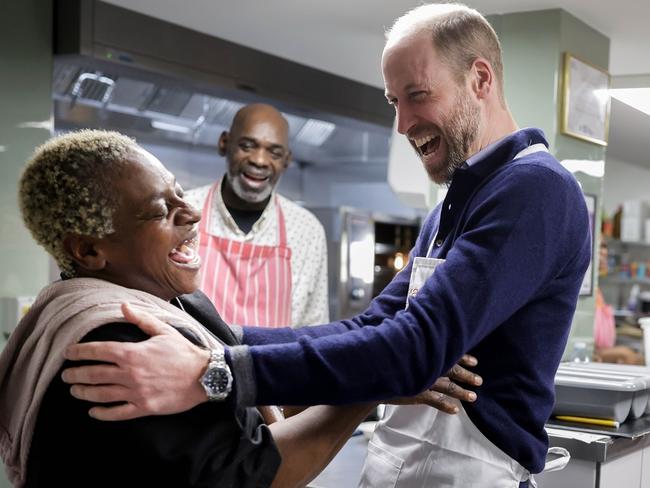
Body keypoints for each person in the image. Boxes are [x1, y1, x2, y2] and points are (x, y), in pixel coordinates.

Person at [62, 3, 591, 487]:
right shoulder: (454, 203)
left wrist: (215, 372)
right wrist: (210, 334)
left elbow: (414, 350)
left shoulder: (535, 190)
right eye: (393, 102)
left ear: (479, 78)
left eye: (417, 95)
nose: (402, 123)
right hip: (406, 466)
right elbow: (369, 329)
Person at [0, 130, 478, 488]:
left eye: (178, 193)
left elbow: (252, 390)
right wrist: (374, 381)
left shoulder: (173, 302)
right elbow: (255, 472)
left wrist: (366, 368)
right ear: (87, 251)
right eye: (160, 211)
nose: (189, 213)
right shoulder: (119, 342)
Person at [186, 103, 328, 328]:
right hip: (188, 362)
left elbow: (313, 329)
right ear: (224, 143)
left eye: (274, 153)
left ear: (287, 160)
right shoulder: (183, 212)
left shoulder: (307, 230)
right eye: (247, 146)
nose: (259, 160)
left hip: (273, 364)